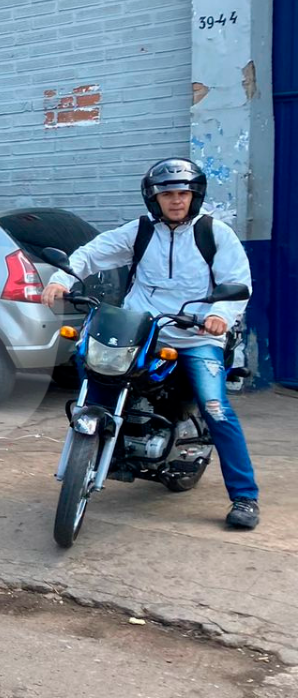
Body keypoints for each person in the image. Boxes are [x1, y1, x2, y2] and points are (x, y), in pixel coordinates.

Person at [42, 158, 259, 530]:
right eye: (167, 194)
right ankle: (105, 444)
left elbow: (237, 281)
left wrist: (220, 314)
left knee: (215, 407)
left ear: (195, 196)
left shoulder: (215, 233)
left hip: (195, 335)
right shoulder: (140, 231)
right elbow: (93, 252)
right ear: (153, 198)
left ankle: (244, 497)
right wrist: (62, 278)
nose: (176, 201)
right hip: (142, 331)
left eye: (183, 193)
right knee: (94, 371)